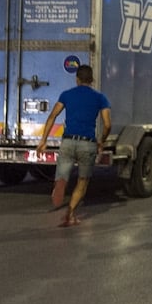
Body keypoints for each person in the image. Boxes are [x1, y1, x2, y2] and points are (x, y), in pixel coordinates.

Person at [37, 64, 111, 227]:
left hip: (68, 141)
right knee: (83, 181)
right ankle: (70, 213)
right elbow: (107, 124)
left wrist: (43, 140)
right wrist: (102, 140)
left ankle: (60, 182)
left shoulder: (66, 95)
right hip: (87, 143)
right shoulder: (100, 98)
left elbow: (52, 116)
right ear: (92, 80)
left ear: (76, 79)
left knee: (63, 172)